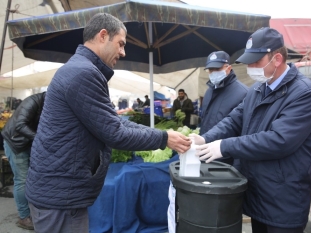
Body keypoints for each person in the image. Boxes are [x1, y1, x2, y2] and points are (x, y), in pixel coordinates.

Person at [25, 13, 191, 233]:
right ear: (103, 35)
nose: (123, 52)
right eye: (121, 44)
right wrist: (163, 138)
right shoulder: (83, 73)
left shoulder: (82, 69)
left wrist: (161, 134)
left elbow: (113, 122)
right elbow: (115, 133)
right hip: (60, 196)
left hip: (58, 190)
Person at [192, 27, 311, 232]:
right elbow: (234, 119)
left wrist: (225, 146)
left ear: (277, 59)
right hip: (258, 193)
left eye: (256, 61)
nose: (251, 67)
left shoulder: (304, 94)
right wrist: (205, 138)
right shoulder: (258, 89)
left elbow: (279, 140)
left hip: (283, 199)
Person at [1, 92, 46, 230]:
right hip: (16, 143)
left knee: (33, 179)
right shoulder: (32, 101)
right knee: (22, 179)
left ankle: (33, 212)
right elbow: (20, 125)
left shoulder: (51, 104)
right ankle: (23, 216)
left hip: (29, 143)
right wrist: (41, 138)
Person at [201, 51, 248, 165]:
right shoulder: (209, 91)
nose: (213, 73)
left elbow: (243, 131)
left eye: (217, 69)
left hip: (226, 159)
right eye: (210, 70)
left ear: (228, 68)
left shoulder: (243, 93)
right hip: (205, 153)